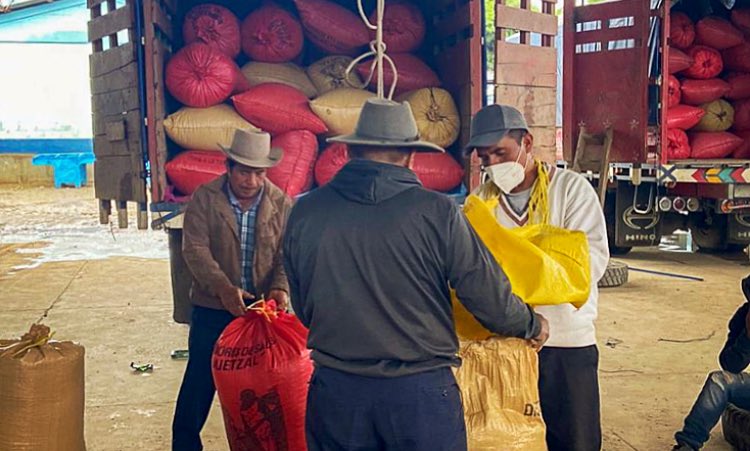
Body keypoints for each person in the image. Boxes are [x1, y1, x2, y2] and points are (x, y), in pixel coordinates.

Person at [283, 98, 549, 451]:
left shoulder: (305, 212)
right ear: (410, 156)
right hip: (419, 395)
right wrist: (531, 323)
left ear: (348, 152)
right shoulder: (438, 213)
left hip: (336, 393)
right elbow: (487, 298)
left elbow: (304, 308)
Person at [465, 104, 610, 451]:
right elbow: (470, 275)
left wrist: (511, 275)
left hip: (565, 344)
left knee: (576, 441)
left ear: (527, 143)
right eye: (484, 158)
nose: (493, 165)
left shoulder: (570, 190)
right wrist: (537, 264)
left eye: (501, 152)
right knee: (505, 441)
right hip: (502, 348)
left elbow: (589, 263)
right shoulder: (478, 204)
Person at [172, 129, 292, 451]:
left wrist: (280, 287)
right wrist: (224, 289)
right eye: (243, 171)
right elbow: (194, 249)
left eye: (258, 173)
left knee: (264, 391)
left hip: (261, 313)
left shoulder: (282, 204)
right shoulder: (205, 198)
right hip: (213, 308)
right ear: (228, 167)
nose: (250, 181)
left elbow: (286, 256)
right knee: (199, 382)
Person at [673, 275, 750, 451]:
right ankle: (687, 445)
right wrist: (747, 336)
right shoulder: (744, 316)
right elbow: (730, 365)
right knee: (719, 381)